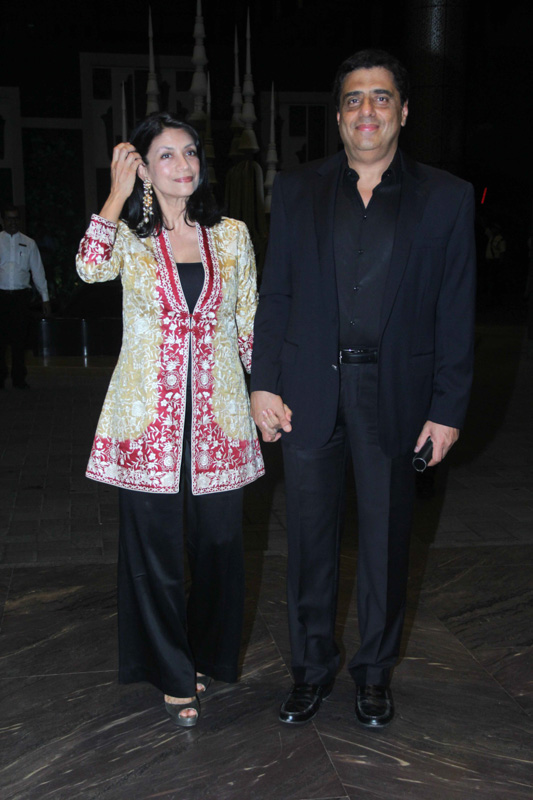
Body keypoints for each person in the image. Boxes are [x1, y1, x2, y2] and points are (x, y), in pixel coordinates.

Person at [250, 49, 476, 729]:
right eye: (353, 99)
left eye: (380, 97)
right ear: (339, 116)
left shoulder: (446, 197)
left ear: (403, 112)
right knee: (309, 544)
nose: (366, 110)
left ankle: (373, 676)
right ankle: (310, 670)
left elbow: (456, 309)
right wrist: (262, 384)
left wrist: (447, 410)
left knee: (384, 545)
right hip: (307, 393)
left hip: (396, 395)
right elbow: (277, 294)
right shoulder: (296, 190)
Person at [76, 112, 264, 728]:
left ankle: (207, 654)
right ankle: (173, 672)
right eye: (166, 155)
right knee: (153, 552)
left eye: (190, 152)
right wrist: (115, 195)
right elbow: (88, 267)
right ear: (144, 169)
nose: (183, 165)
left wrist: (266, 395)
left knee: (220, 544)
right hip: (146, 419)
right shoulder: (128, 237)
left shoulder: (232, 236)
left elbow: (249, 323)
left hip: (219, 418)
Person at [0, 204, 51, 389]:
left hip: (20, 298)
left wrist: (45, 298)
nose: (12, 222)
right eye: (9, 218)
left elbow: (38, 271)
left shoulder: (29, 243)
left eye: (15, 218)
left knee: (19, 340)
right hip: (1, 296)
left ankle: (19, 378)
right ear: (2, 221)